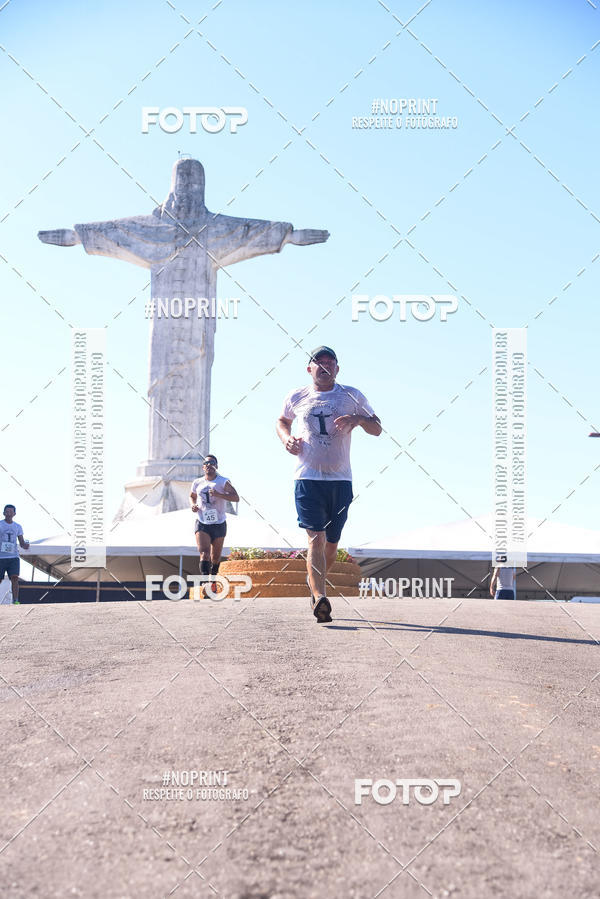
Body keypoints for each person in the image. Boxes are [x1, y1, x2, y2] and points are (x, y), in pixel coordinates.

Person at [277, 347, 381, 623]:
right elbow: (282, 420)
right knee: (316, 538)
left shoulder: (351, 395)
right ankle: (321, 596)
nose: (323, 366)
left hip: (340, 480)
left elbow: (377, 427)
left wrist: (357, 419)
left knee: (331, 546)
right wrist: (286, 438)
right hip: (307, 478)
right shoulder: (297, 396)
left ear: (337, 369)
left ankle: (314, 584)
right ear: (309, 369)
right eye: (318, 362)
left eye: (329, 362)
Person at [190, 456, 239, 594]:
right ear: (203, 467)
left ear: (216, 466)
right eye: (206, 463)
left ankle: (213, 580)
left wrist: (219, 494)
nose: (209, 465)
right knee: (204, 553)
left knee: (215, 557)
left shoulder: (223, 482)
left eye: (212, 463)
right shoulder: (197, 482)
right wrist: (193, 505)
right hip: (202, 522)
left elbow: (236, 497)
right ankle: (206, 582)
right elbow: (192, 496)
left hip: (219, 523)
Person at [0, 504, 29, 605]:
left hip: (13, 557)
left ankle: (15, 600)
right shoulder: (0, 524)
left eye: (11, 512)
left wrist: (25, 545)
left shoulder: (17, 526)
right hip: (1, 557)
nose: (8, 514)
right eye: (7, 512)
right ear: (3, 513)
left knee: (15, 578)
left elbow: (21, 542)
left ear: (14, 514)